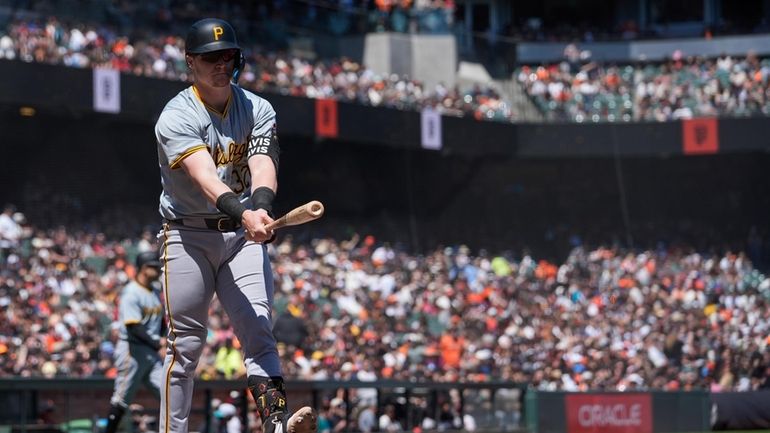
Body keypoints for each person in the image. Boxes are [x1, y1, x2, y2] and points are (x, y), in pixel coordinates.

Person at [154, 18, 317, 433]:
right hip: (188, 234)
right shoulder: (176, 115)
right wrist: (245, 213)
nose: (220, 64)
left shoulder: (258, 107)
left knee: (259, 328)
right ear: (191, 62)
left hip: (241, 235)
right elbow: (204, 176)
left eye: (227, 55)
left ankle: (276, 423)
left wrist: (260, 208)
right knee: (185, 348)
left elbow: (263, 163)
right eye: (210, 58)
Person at [105, 251, 165, 433]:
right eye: (153, 266)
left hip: (150, 353)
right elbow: (133, 327)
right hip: (132, 350)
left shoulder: (154, 290)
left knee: (168, 393)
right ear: (142, 269)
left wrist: (161, 338)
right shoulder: (131, 292)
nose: (157, 269)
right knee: (122, 399)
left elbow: (160, 321)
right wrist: (158, 344)